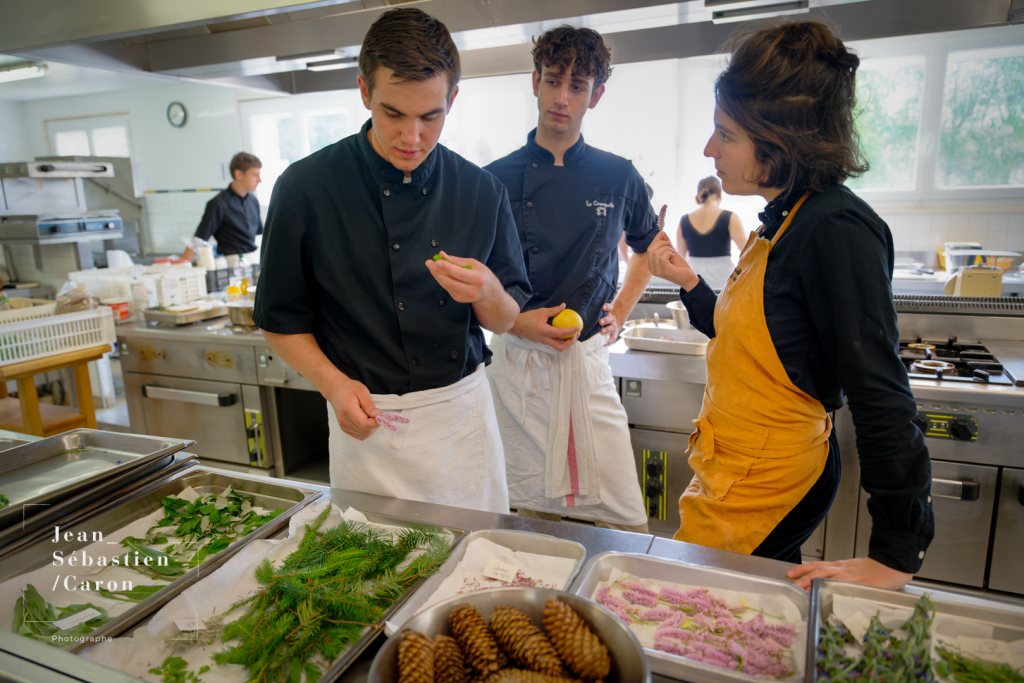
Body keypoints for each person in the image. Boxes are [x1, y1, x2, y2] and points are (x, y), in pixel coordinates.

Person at [647, 21, 933, 589]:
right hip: (735, 471)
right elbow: (756, 340)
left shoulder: (837, 230)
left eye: (724, 134)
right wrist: (691, 286)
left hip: (766, 483)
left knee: (689, 607)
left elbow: (881, 395)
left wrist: (896, 554)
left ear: (779, 141)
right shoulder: (783, 219)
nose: (710, 149)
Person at [252, 8, 531, 513]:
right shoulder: (304, 189)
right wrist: (332, 384)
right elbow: (278, 319)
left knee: (479, 568)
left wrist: (490, 293)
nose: (412, 138)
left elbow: (507, 319)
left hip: (459, 424)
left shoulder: (482, 191)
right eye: (393, 114)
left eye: (431, 117)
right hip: (365, 426)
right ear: (364, 91)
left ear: (453, 100)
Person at [485, 26, 657, 533]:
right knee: (524, 517)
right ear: (534, 81)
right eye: (553, 80)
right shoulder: (492, 178)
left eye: (577, 86)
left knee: (625, 518)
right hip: (516, 368)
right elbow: (475, 279)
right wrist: (516, 323)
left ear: (595, 95)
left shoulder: (618, 175)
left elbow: (647, 250)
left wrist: (621, 311)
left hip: (586, 366)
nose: (562, 98)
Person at [182, 152, 263, 267]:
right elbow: (198, 240)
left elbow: (260, 234)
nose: (259, 180)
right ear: (238, 174)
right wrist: (181, 268)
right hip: (233, 265)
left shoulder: (253, 201)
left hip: (255, 260)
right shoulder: (218, 204)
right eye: (255, 175)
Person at [676, 176, 746, 289]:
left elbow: (680, 260)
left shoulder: (683, 221)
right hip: (723, 279)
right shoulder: (731, 217)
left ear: (699, 195)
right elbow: (747, 252)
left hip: (693, 279)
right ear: (720, 193)